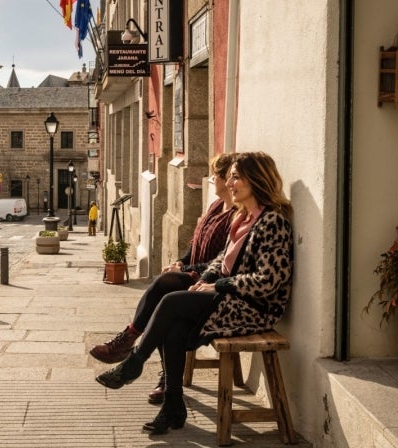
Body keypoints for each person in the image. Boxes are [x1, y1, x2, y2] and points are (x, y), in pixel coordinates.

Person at [94, 152, 294, 435]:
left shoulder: (273, 221)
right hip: (228, 299)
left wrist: (219, 285)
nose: (231, 182)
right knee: (173, 326)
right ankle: (173, 406)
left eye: (237, 177)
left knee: (171, 302)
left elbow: (270, 280)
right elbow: (221, 260)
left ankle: (134, 363)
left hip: (254, 308)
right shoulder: (243, 216)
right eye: (232, 176)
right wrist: (208, 279)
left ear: (256, 179)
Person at [90, 153, 237, 404]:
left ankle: (130, 344)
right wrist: (181, 261)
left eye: (217, 175)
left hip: (209, 282)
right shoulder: (215, 206)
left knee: (164, 292)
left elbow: (224, 261)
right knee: (164, 294)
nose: (213, 178)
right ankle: (164, 379)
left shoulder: (235, 215)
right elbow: (196, 243)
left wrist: (191, 270)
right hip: (196, 274)